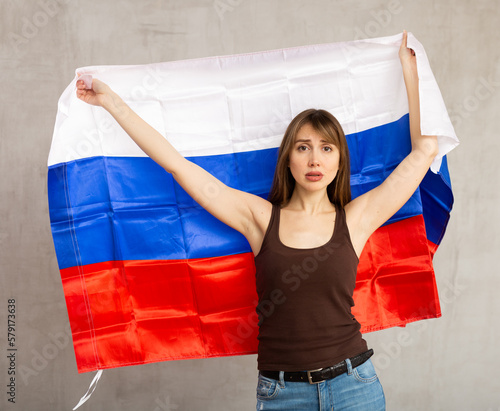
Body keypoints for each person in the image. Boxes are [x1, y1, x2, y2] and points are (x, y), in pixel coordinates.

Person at [76, 31, 437, 411]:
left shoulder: (357, 219)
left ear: (339, 161)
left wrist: (410, 72)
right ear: (288, 159)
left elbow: (425, 150)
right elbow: (178, 166)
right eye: (303, 147)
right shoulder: (260, 218)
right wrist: (111, 103)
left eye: (326, 148)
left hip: (354, 386)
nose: (315, 160)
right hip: (283, 395)